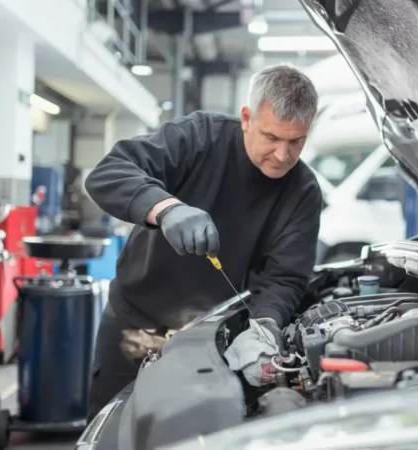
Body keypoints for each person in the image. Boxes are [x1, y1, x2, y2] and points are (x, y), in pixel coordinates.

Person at [83, 64, 322, 422]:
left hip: (216, 340)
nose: (283, 155)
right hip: (138, 323)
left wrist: (265, 328)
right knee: (114, 428)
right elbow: (108, 173)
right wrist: (165, 209)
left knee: (192, 430)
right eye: (272, 137)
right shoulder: (198, 137)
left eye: (296, 141)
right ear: (246, 117)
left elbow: (284, 278)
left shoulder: (302, 192)